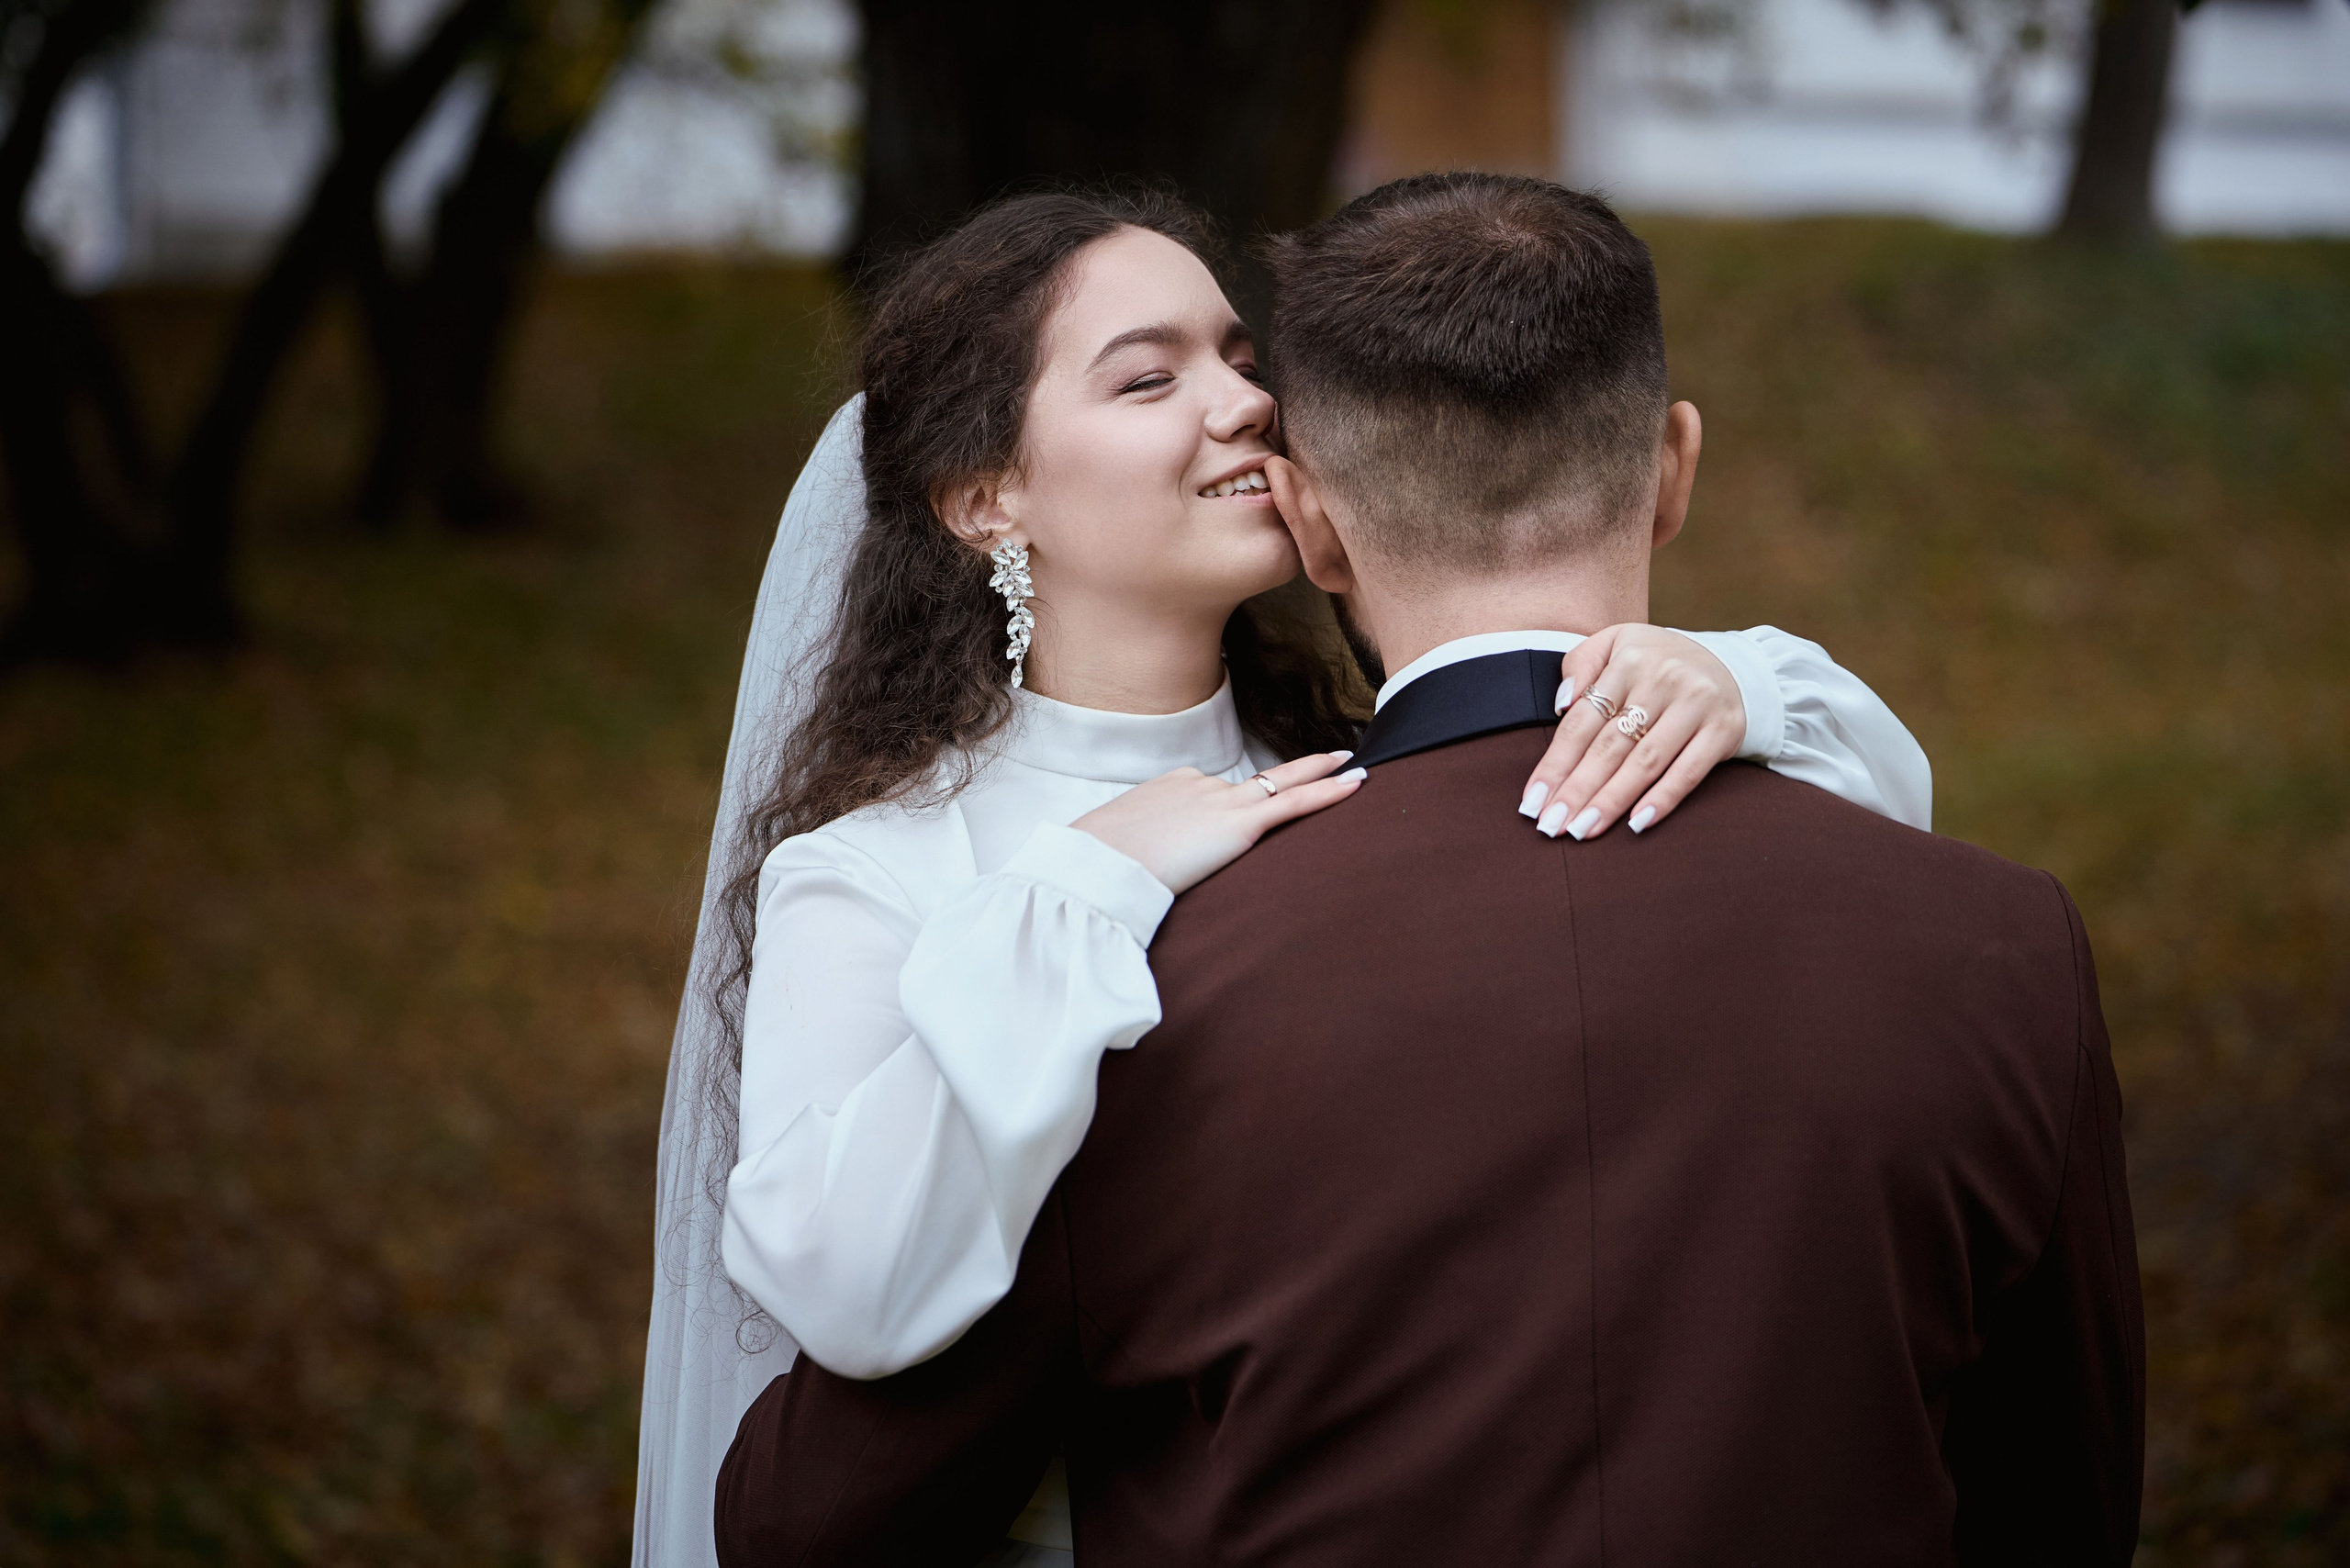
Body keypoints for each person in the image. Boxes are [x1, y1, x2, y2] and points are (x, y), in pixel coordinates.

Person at [709, 174, 2145, 1565]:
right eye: (1147, 379)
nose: (1246, 404)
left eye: (1243, 356)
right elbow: (849, 1333)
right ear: (983, 502)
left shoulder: (1345, 804)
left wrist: (1750, 680)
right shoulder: (925, 888)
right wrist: (1073, 894)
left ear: (1322, 515)